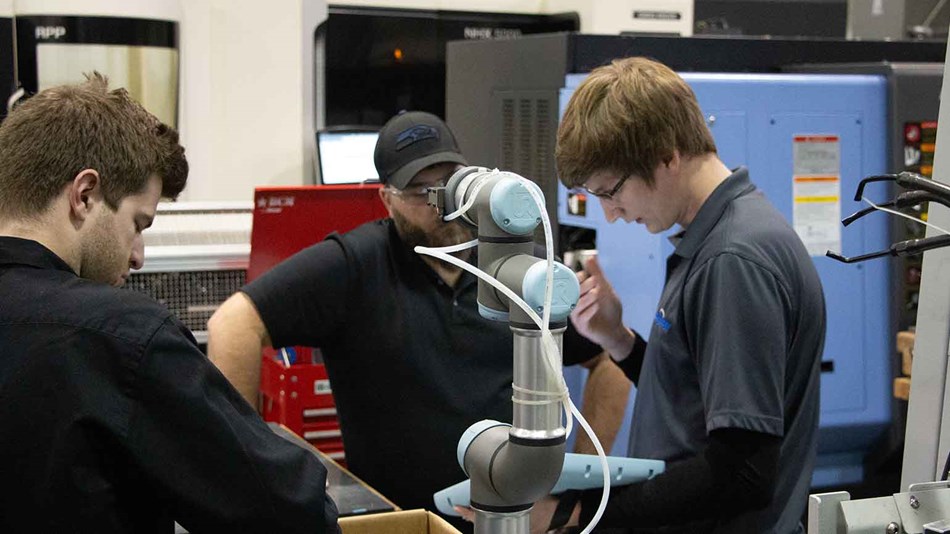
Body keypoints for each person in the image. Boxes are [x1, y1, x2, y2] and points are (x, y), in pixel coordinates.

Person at [207, 111, 631, 528]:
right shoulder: (356, 266)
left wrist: (575, 485)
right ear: (386, 199)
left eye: (451, 182)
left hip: (511, 518)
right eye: (419, 191)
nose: (440, 203)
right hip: (402, 522)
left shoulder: (520, 267)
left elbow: (607, 361)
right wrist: (250, 469)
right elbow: (233, 325)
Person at [0, 74, 339, 533]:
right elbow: (289, 512)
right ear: (84, 195)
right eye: (138, 224)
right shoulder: (123, 337)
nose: (138, 256)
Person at [541, 57, 826, 533]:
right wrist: (619, 341)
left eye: (611, 191)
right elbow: (695, 402)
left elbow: (741, 472)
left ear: (667, 156)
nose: (611, 214)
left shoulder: (733, 260)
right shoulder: (715, 240)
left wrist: (577, 514)